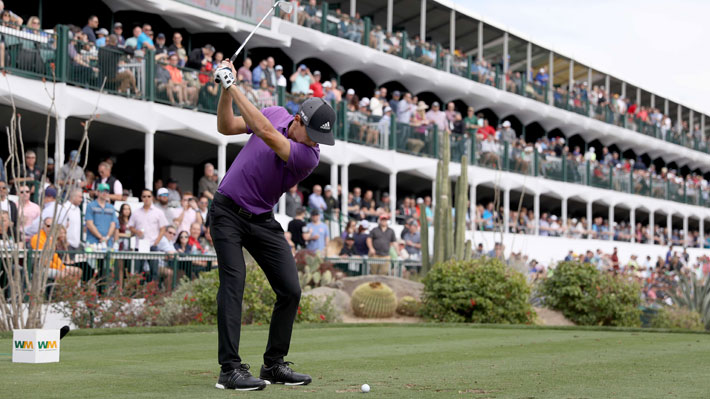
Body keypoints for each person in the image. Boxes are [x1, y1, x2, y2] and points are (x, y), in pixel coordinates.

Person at [210, 60, 336, 389]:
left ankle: (274, 364)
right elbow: (226, 126)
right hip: (226, 212)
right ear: (297, 120)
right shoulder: (278, 112)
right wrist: (226, 90)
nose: (315, 141)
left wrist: (233, 84)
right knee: (233, 284)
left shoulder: (308, 156)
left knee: (291, 290)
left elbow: (264, 133)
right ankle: (230, 369)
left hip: (263, 220)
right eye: (313, 134)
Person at [128, 189, 169, 278]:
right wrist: (136, 231)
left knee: (154, 272)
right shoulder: (136, 212)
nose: (146, 198)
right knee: (137, 272)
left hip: (152, 245)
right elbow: (130, 226)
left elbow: (163, 229)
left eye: (149, 196)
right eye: (144, 196)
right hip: (139, 245)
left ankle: (153, 291)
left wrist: (156, 242)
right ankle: (137, 291)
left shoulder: (158, 212)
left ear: (152, 198)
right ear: (141, 198)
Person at [85, 183, 118, 247]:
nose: (105, 193)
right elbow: (89, 224)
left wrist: (107, 238)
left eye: (107, 191)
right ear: (97, 192)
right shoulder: (90, 206)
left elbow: (113, 224)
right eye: (102, 191)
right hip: (93, 242)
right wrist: (101, 238)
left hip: (108, 243)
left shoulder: (111, 207)